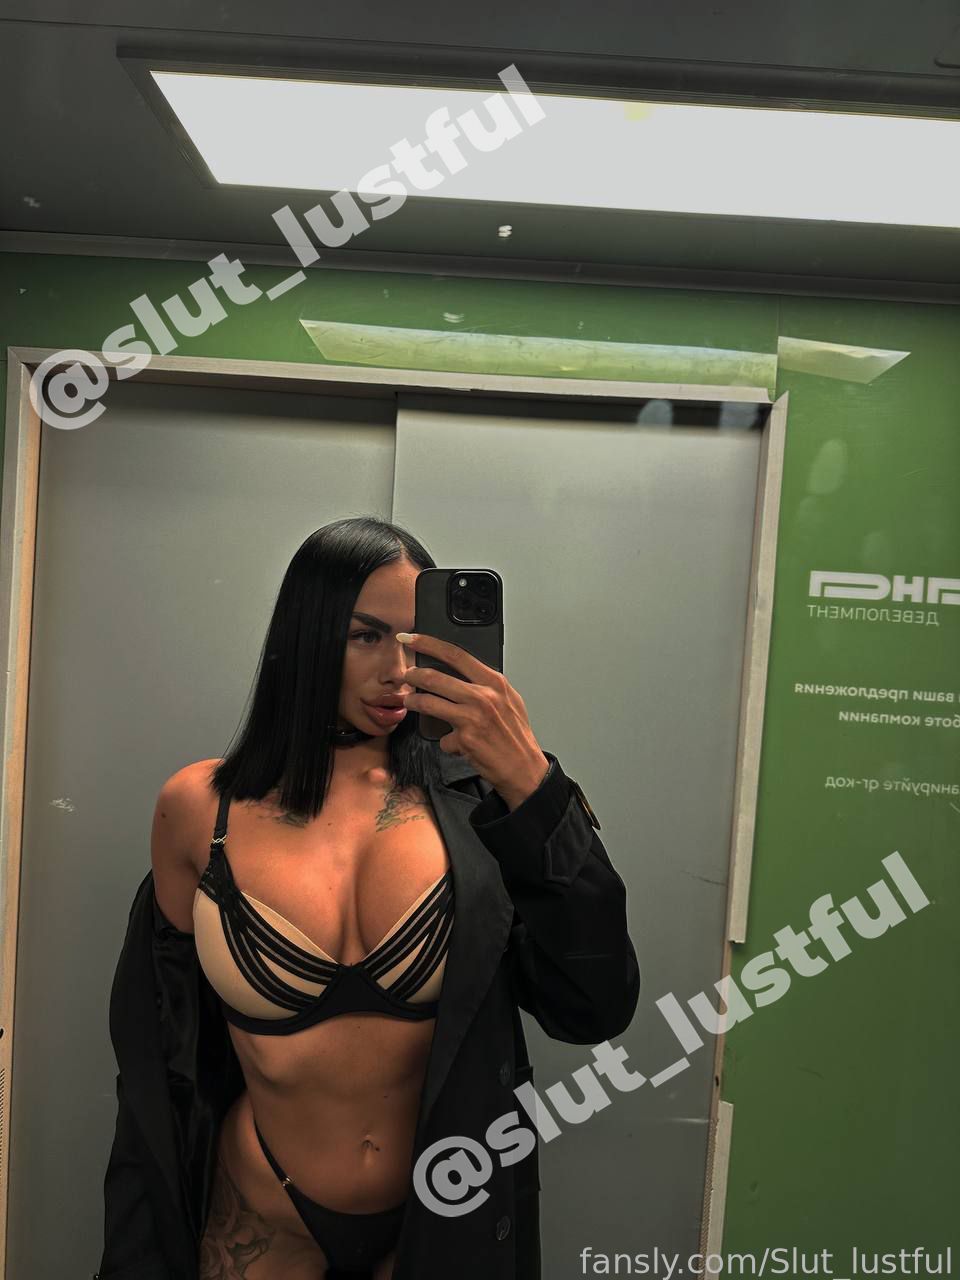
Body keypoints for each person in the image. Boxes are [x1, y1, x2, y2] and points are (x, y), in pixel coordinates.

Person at [96, 515, 640, 1280]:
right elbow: (157, 1064)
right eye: (366, 637)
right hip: (259, 1221)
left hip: (438, 1224)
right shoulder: (200, 811)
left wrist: (533, 786)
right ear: (308, 636)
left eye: (417, 641)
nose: (399, 670)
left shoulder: (483, 806)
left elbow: (594, 1007)